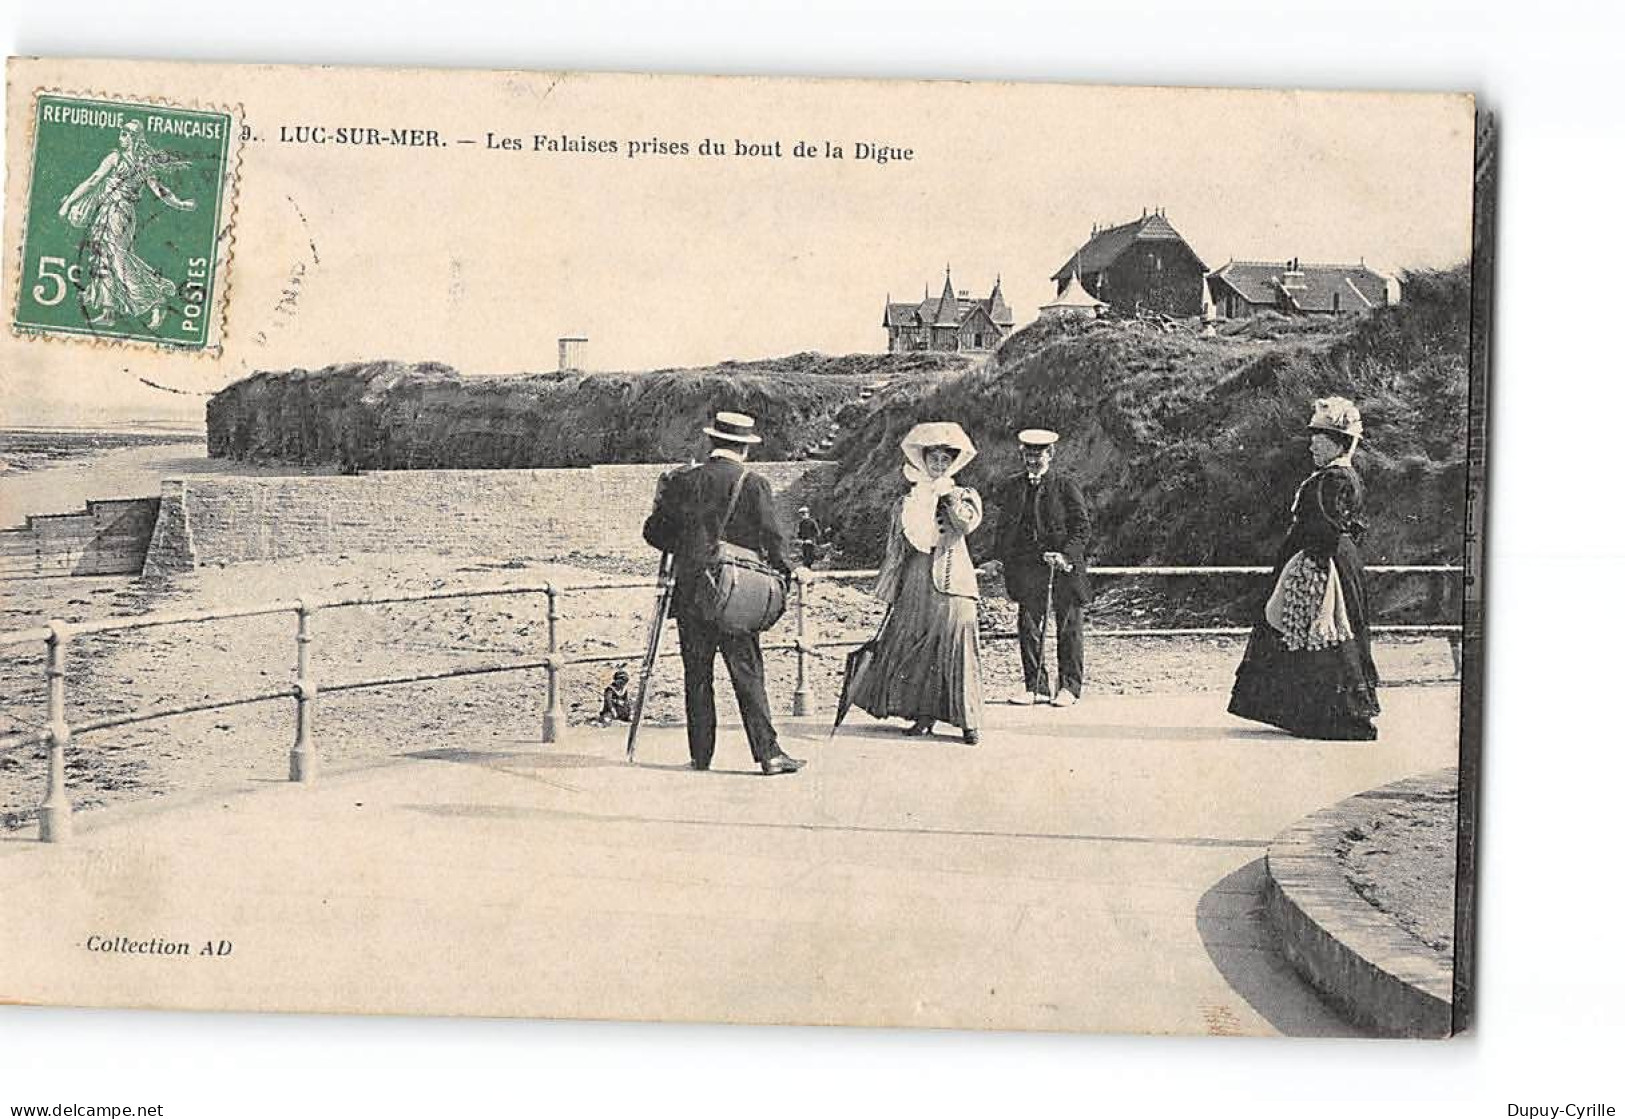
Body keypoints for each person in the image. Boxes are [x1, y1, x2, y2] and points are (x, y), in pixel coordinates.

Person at [641, 410, 808, 775]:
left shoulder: (685, 481)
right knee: (747, 673)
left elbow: (655, 534)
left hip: (691, 595)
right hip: (738, 593)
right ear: (745, 449)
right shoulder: (754, 483)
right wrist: (787, 573)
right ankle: (769, 755)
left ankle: (701, 755)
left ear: (711, 442)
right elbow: (773, 539)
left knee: (697, 676)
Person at [1228, 396, 1381, 740]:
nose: (1312, 443)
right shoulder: (1335, 476)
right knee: (1315, 636)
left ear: (1340, 442)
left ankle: (1336, 716)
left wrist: (1309, 571)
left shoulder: (1334, 479)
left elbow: (1327, 528)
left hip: (1322, 566)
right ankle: (1318, 712)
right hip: (1328, 561)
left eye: (1320, 437)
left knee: (1322, 632)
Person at [848, 422, 985, 744]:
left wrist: (947, 495)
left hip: (954, 578)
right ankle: (923, 716)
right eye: (933, 459)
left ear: (953, 463)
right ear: (923, 461)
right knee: (916, 645)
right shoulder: (908, 499)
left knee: (957, 643)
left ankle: (969, 721)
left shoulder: (964, 495)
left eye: (944, 460)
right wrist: (891, 585)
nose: (938, 465)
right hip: (915, 578)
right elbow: (897, 545)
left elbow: (966, 525)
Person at [986, 429, 1093, 707]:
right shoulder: (1012, 486)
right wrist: (998, 558)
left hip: (1063, 569)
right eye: (1029, 455)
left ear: (1051, 455)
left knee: (1068, 628)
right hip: (1028, 569)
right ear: (1023, 455)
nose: (1034, 460)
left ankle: (1069, 687)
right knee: (1029, 627)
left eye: (1040, 455)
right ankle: (1036, 687)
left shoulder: (1065, 485)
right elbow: (1005, 528)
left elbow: (1082, 528)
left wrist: (1065, 555)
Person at [57, 120, 195, 331]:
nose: (120, 138)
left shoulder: (119, 159)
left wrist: (68, 203)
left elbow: (93, 181)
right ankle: (108, 311)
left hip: (117, 214)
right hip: (112, 213)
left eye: (124, 134)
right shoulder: (141, 164)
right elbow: (160, 191)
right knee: (105, 258)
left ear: (133, 138)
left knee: (118, 260)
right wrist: (181, 204)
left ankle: (156, 300)